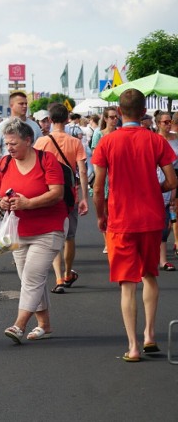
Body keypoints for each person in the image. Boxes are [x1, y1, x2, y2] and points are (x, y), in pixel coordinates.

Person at [92, 88, 177, 362]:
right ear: (143, 112)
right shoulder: (155, 140)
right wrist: (156, 189)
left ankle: (133, 346)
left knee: (127, 284)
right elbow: (173, 181)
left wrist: (101, 215)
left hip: (121, 220)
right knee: (150, 275)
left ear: (118, 111)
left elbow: (97, 188)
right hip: (151, 218)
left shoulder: (106, 142)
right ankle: (150, 334)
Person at [0, 118, 67, 344]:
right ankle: (45, 325)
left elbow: (57, 193)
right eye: (7, 144)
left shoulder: (47, 160)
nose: (10, 148)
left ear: (28, 140)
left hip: (49, 228)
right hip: (18, 231)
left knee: (33, 277)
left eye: (14, 143)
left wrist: (29, 203)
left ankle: (19, 325)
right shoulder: (4, 163)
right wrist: (0, 202)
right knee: (29, 279)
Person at [33, 103, 89, 294]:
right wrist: (84, 198)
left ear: (49, 119)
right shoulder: (75, 142)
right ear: (67, 119)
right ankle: (67, 273)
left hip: (48, 194)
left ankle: (57, 277)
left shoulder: (41, 142)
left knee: (53, 234)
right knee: (70, 236)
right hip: (69, 194)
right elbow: (82, 170)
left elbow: (36, 169)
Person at [91, 107, 119, 253]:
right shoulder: (98, 133)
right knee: (105, 209)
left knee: (115, 210)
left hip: (117, 174)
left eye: (116, 117)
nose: (114, 120)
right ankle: (107, 241)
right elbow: (96, 157)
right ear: (106, 118)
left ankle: (113, 239)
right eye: (112, 117)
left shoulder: (120, 133)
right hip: (103, 174)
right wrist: (99, 176)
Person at [0, 91, 43, 158]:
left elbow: (41, 149)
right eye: (21, 104)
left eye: (26, 104)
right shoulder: (1, 127)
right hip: (10, 167)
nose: (25, 106)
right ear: (11, 105)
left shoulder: (35, 126)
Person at [156, 112, 178, 254]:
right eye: (165, 122)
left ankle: (176, 241)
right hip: (162, 175)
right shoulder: (155, 139)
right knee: (167, 213)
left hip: (176, 173)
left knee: (174, 210)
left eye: (170, 121)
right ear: (158, 123)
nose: (168, 124)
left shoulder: (176, 138)